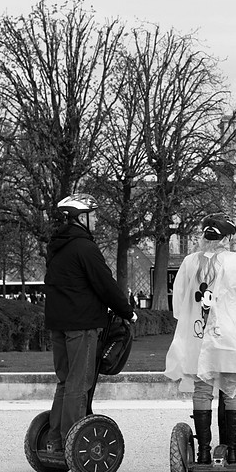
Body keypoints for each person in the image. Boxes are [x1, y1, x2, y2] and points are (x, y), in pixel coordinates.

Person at [165, 213, 236, 464]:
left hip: (198, 337)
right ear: (227, 238)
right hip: (228, 337)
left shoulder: (189, 262)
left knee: (202, 391)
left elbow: (178, 304)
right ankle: (234, 452)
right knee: (233, 391)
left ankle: (203, 452)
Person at [43, 194, 137, 454]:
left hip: (58, 324)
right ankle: (71, 444)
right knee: (79, 383)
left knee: (64, 380)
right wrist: (127, 312)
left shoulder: (57, 246)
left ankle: (54, 441)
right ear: (79, 218)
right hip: (81, 324)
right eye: (92, 214)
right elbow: (105, 284)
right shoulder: (84, 247)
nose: (95, 219)